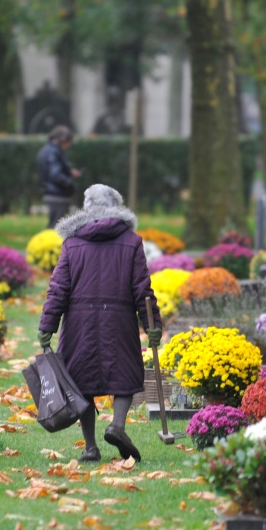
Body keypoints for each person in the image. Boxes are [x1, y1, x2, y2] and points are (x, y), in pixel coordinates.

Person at [38, 184, 161, 462]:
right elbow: (142, 288)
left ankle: (91, 447)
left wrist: (48, 325)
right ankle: (117, 426)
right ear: (116, 206)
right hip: (119, 320)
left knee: (80, 381)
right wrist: (152, 324)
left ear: (86, 208)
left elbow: (58, 288)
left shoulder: (72, 243)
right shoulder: (131, 241)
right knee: (124, 375)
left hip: (79, 322)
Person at [37, 125, 81, 227]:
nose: (69, 145)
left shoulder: (46, 150)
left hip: (50, 193)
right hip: (58, 195)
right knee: (58, 228)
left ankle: (46, 242)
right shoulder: (54, 152)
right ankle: (50, 243)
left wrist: (68, 170)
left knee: (53, 225)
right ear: (63, 140)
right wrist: (69, 183)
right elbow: (55, 174)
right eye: (68, 141)